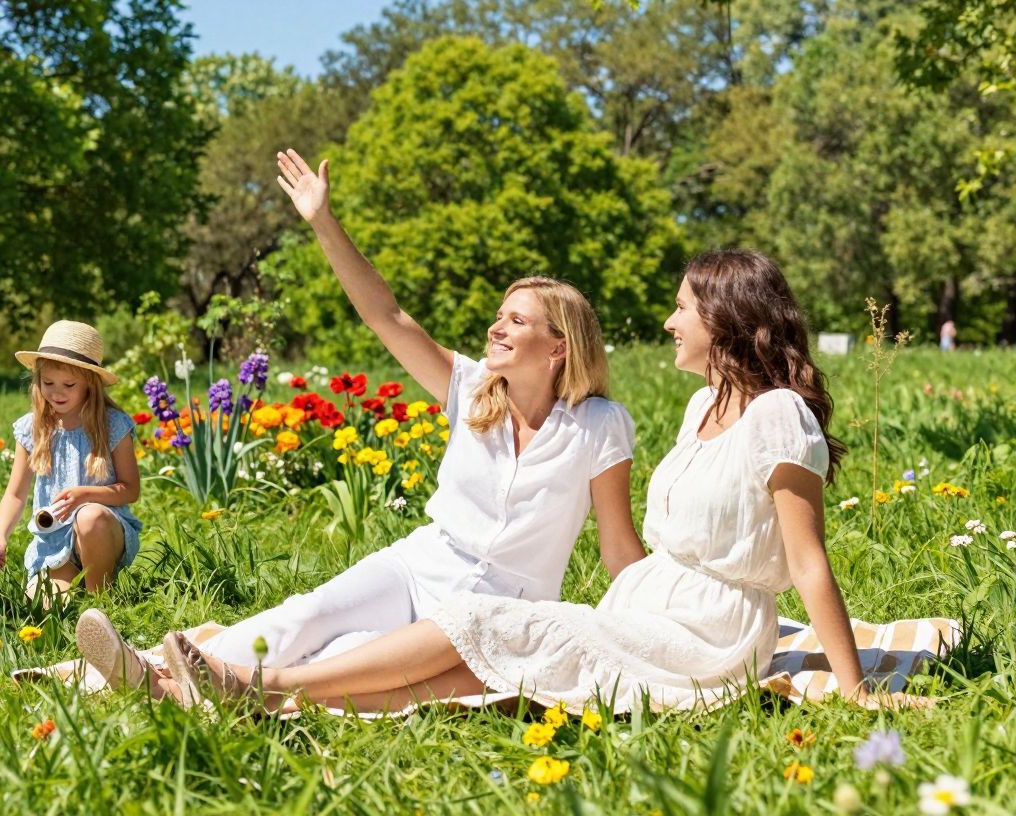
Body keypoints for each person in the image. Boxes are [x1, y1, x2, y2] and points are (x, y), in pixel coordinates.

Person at [157, 249, 920, 713]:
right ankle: (252, 691)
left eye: (682, 308)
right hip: (645, 607)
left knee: (485, 629)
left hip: (707, 639)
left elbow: (807, 560)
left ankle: (261, 684)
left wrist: (852, 686)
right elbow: (641, 551)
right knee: (475, 664)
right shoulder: (700, 407)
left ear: (725, 317)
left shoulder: (779, 415)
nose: (667, 322)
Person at [74, 149, 643, 694]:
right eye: (499, 315)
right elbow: (387, 315)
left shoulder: (599, 425)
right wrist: (323, 221)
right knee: (308, 615)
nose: (496, 327)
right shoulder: (471, 388)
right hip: (424, 563)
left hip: (501, 607)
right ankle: (156, 677)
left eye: (516, 321)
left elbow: (617, 546)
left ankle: (207, 685)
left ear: (559, 347)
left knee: (352, 658)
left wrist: (651, 634)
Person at [0, 321, 142, 596]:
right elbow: (15, 494)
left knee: (89, 516)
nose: (57, 392)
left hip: (102, 532)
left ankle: (100, 598)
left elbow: (130, 490)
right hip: (54, 542)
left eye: (69, 384)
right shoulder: (33, 428)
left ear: (90, 385)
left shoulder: (113, 425)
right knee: (46, 608)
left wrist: (86, 495)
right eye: (48, 383)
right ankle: (72, 589)